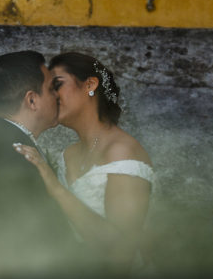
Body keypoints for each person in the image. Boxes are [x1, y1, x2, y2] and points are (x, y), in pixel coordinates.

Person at [14, 52, 155, 274]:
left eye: (57, 85)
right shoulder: (67, 155)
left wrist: (56, 188)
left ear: (90, 84)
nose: (50, 96)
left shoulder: (121, 153)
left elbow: (121, 255)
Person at [0, 50, 81, 276]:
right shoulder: (13, 158)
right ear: (31, 100)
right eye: (51, 89)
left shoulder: (4, 144)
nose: (57, 96)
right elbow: (30, 251)